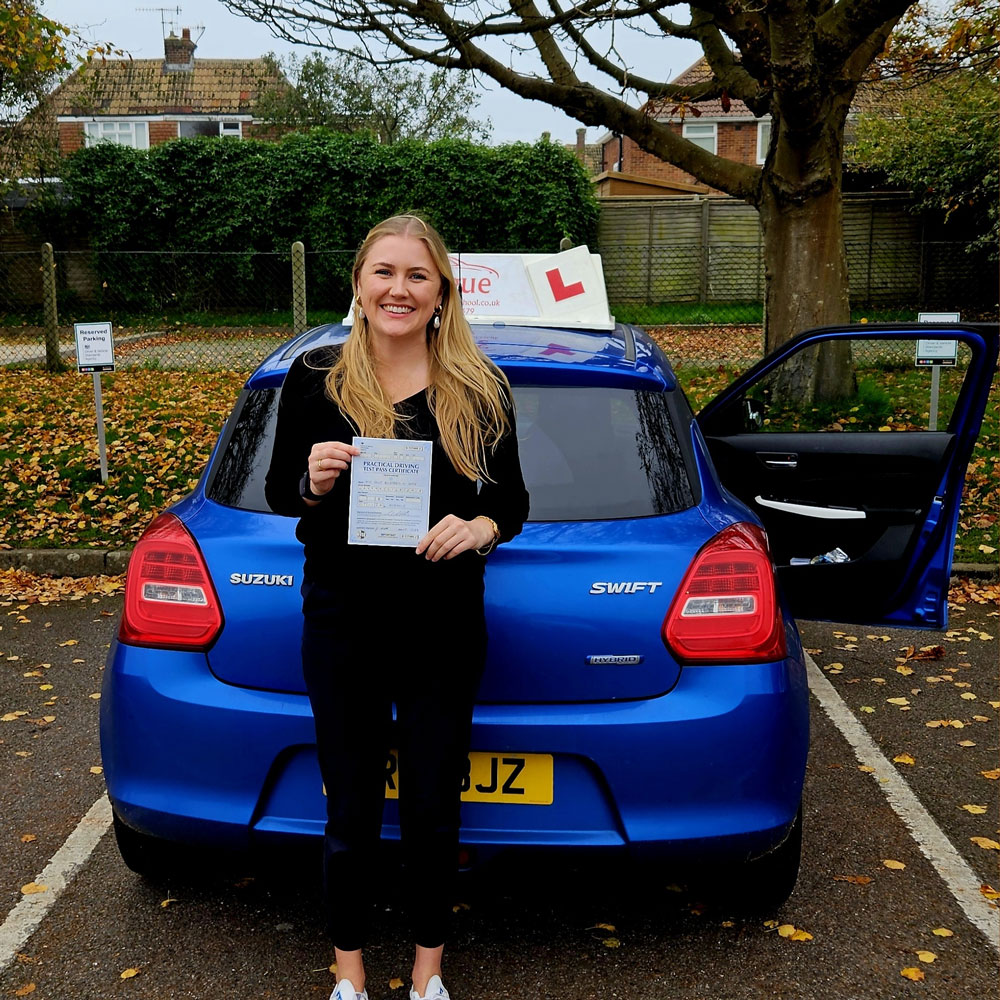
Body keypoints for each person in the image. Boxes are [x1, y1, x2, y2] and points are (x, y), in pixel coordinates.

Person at [264, 214, 529, 1000]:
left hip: (442, 626)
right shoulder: (315, 378)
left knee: (432, 806)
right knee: (349, 805)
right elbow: (281, 492)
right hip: (342, 621)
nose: (399, 289)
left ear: (442, 292)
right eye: (384, 272)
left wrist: (479, 528)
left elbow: (511, 501)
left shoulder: (480, 387)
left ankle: (426, 971)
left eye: (417, 275)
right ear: (358, 284)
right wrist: (311, 480)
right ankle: (348, 971)